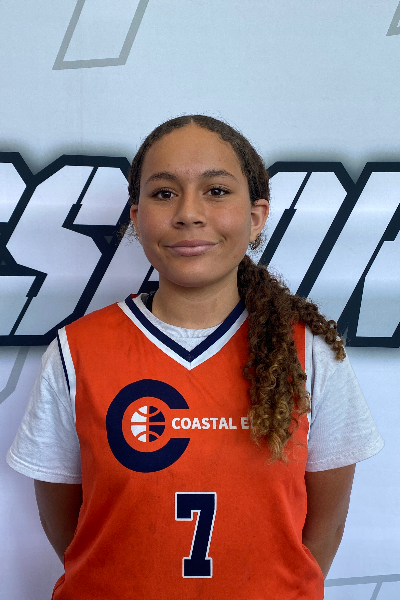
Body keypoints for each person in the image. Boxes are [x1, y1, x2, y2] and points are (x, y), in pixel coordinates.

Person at [6, 114, 384, 600]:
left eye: (216, 191)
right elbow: (72, 528)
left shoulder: (308, 352)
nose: (189, 213)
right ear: (136, 217)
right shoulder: (77, 350)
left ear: (256, 217)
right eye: (164, 193)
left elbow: (324, 530)